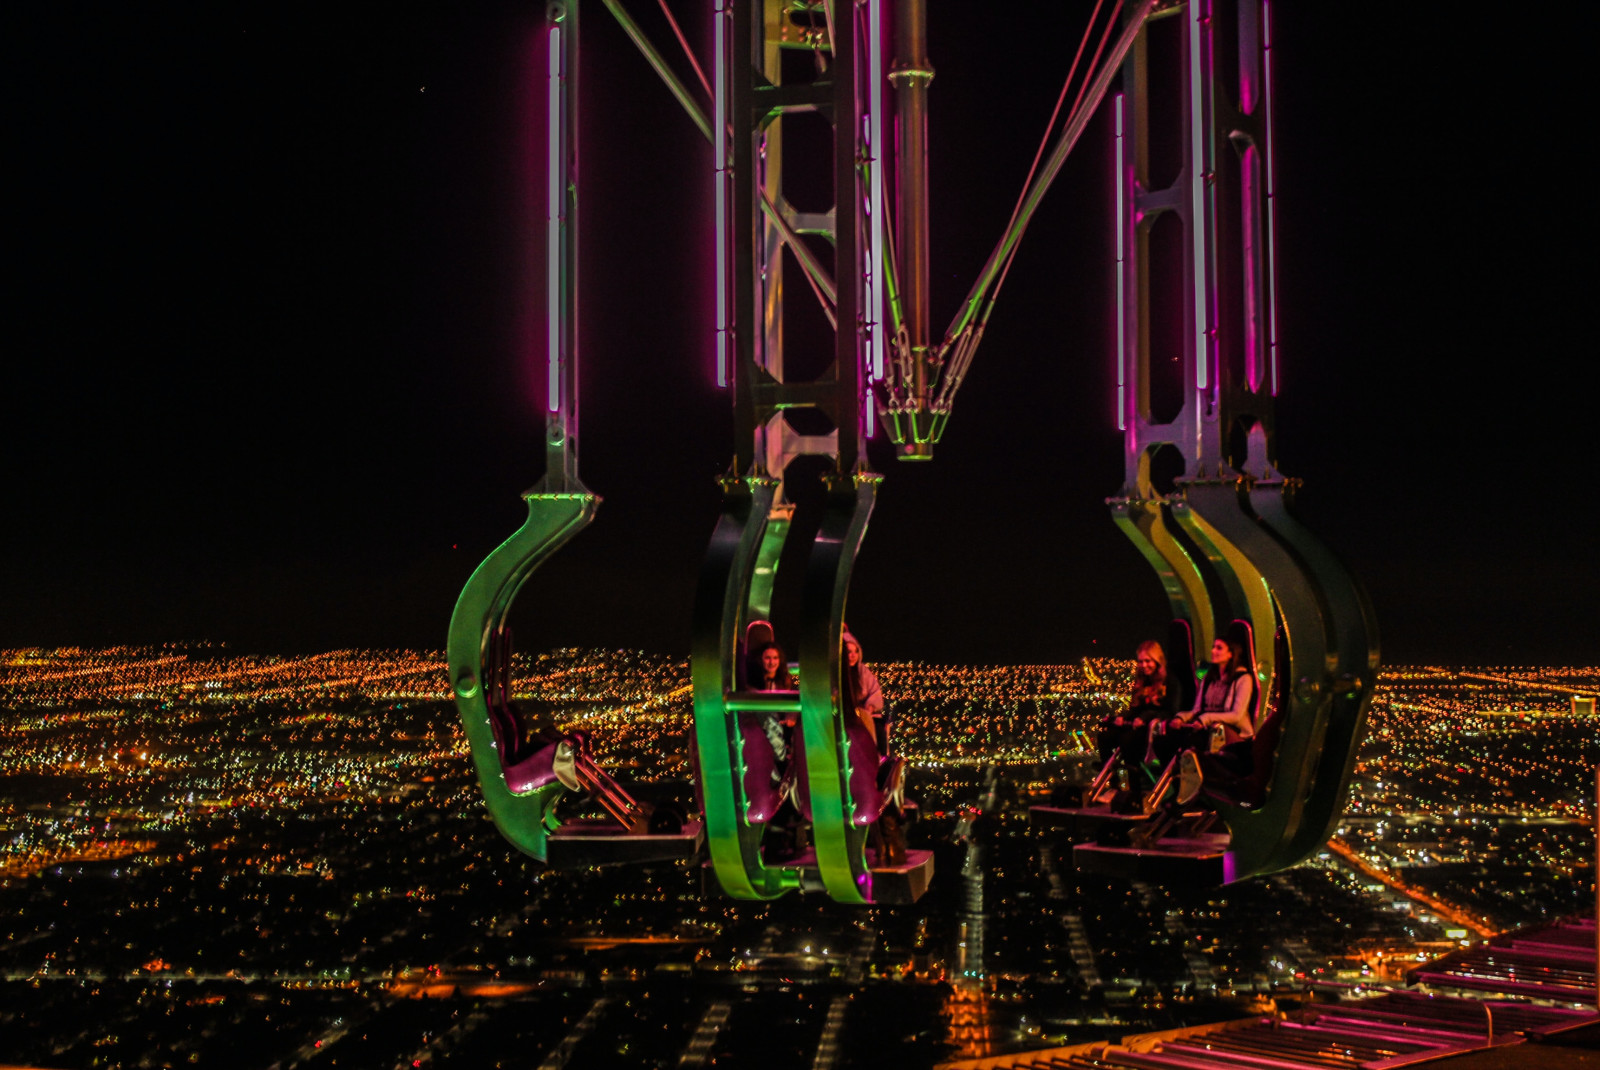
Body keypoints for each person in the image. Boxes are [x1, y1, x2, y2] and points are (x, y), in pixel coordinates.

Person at [1159, 636, 1256, 804]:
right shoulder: (1209, 678)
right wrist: (1181, 718)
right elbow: (1198, 709)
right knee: (1165, 741)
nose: (1213, 651)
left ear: (1231, 654)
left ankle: (1194, 794)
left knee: (1191, 743)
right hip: (1206, 728)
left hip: (1232, 734)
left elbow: (1237, 715)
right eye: (1213, 647)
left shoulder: (1243, 679)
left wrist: (1207, 719)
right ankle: (1175, 789)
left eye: (1219, 648)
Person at [1097, 640, 1169, 772]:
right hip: (1137, 723)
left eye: (1148, 661)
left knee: (1127, 739)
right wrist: (1122, 717)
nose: (1144, 665)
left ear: (1157, 661)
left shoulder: (1167, 681)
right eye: (1141, 661)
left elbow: (1167, 709)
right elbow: (1135, 706)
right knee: (1104, 735)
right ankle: (1111, 777)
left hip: (1153, 726)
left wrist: (1143, 718)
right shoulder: (1141, 681)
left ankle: (1135, 780)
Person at [843, 631, 886, 752]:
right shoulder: (836, 673)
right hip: (843, 712)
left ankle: (879, 760)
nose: (853, 655)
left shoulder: (863, 672)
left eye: (855, 652)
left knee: (878, 730)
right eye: (849, 652)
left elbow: (875, 692)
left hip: (864, 712)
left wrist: (870, 707)